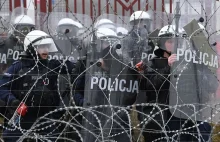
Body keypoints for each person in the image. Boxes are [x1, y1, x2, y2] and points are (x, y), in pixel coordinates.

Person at [0, 30, 83, 142]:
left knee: (53, 139)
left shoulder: (52, 65)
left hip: (45, 115)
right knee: (10, 138)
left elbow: (72, 69)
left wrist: (81, 62)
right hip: (23, 115)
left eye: (47, 47)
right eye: (42, 47)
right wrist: (13, 101)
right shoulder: (19, 67)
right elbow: (2, 87)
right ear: (31, 48)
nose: (46, 50)